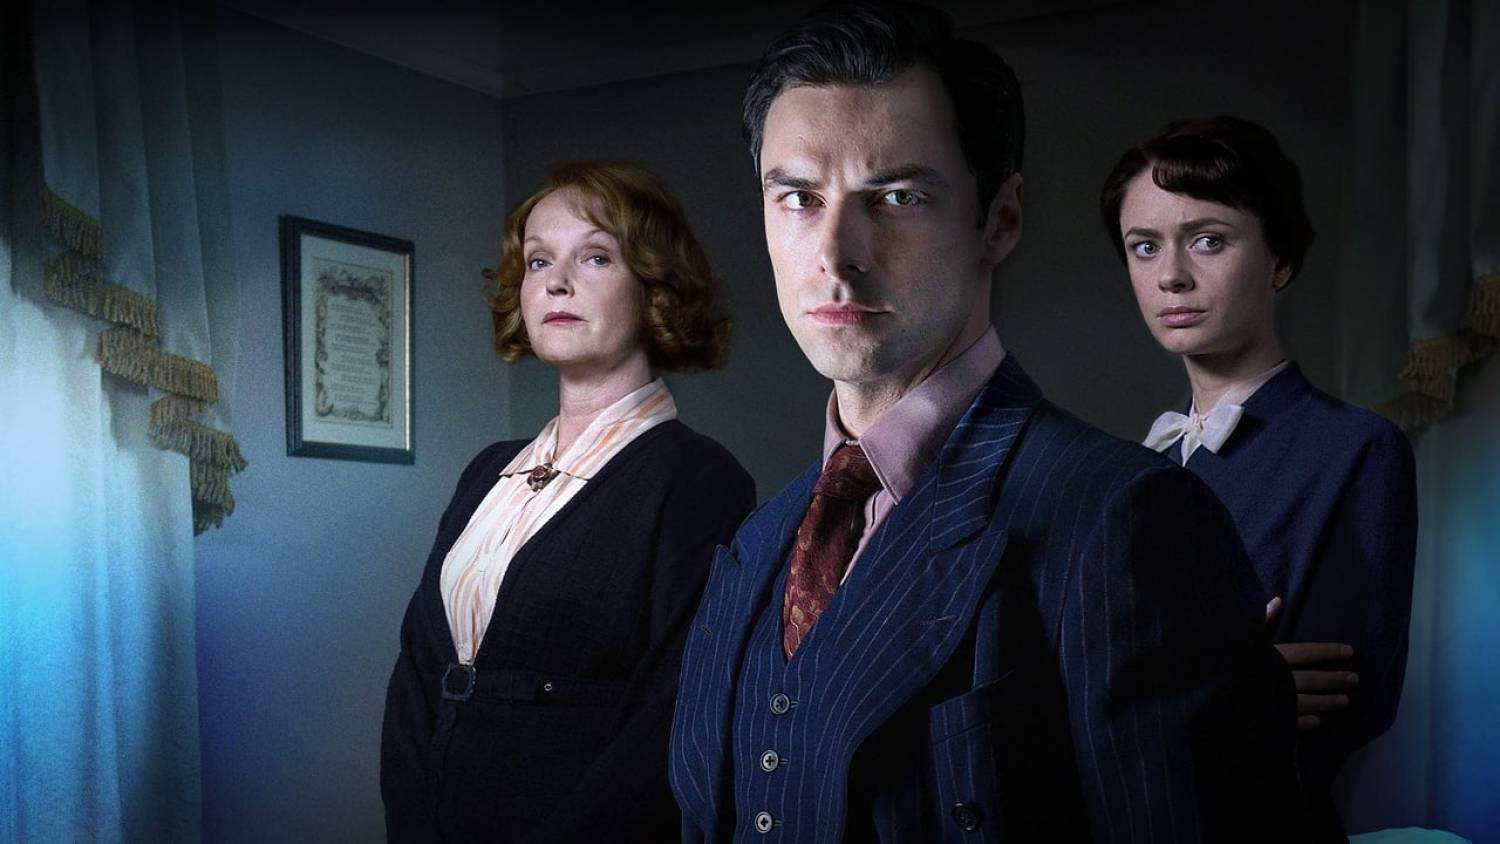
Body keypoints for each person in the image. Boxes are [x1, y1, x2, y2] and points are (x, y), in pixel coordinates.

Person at [668, 3, 1301, 841]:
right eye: (798, 198)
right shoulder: (756, 545)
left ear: (1000, 219)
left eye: (896, 197)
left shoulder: (1125, 519)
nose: (835, 252)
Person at [381, 161, 755, 842]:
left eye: (595, 257)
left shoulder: (697, 480)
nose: (557, 281)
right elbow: (416, 675)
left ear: (654, 285)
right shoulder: (487, 471)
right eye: (538, 260)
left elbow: (669, 718)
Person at [1099, 115, 1418, 837]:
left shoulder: (1356, 447)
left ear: (1280, 260)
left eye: (1208, 240)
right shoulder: (1134, 469)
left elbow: (1350, 701)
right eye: (1145, 246)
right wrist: (1221, 683)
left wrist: (1144, 688)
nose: (1171, 275)